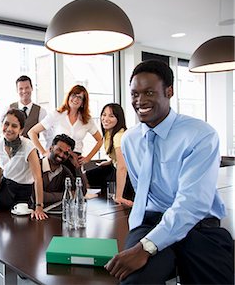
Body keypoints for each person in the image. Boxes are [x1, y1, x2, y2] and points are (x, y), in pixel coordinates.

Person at [105, 60, 234, 284]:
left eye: (149, 92)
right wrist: (142, 238)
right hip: (151, 222)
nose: (140, 101)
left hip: (197, 224)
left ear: (169, 91)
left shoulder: (201, 135)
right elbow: (142, 191)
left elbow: (192, 204)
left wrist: (146, 247)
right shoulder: (130, 140)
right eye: (135, 94)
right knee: (133, 281)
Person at [28, 85, 103, 176]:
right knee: (54, 187)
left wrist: (88, 158)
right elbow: (32, 132)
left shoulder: (87, 120)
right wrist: (43, 152)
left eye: (80, 97)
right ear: (68, 97)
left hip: (75, 161)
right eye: (74, 95)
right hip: (56, 159)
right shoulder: (56, 115)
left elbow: (100, 140)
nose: (76, 99)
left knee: (75, 187)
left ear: (83, 103)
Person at [85, 103, 134, 206]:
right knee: (86, 176)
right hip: (114, 167)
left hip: (127, 175)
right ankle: (90, 195)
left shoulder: (119, 136)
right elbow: (122, 156)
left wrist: (119, 196)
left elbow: (122, 167)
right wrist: (110, 161)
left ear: (118, 119)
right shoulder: (109, 132)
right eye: (104, 114)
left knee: (107, 190)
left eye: (111, 116)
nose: (106, 119)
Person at [40, 134, 76, 205]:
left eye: (66, 153)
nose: (61, 155)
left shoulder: (65, 171)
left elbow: (79, 192)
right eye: (59, 150)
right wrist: (66, 195)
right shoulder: (36, 166)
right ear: (51, 148)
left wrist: (77, 167)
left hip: (53, 213)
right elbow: (36, 196)